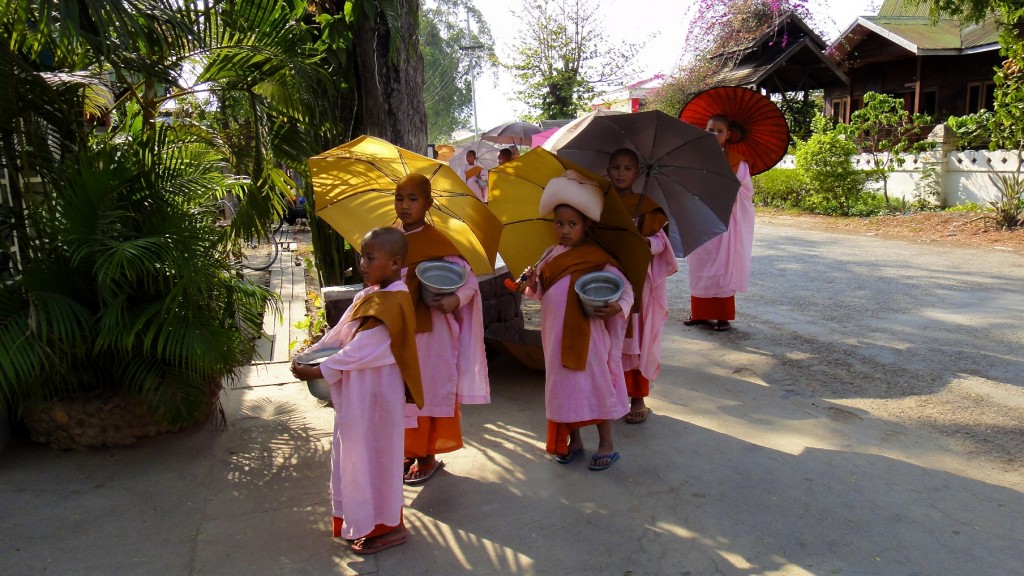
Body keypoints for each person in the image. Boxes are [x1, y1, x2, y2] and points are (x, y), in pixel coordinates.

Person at [290, 227, 423, 554]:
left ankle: (390, 526)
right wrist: (311, 351)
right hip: (357, 396)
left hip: (377, 399)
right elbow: (341, 333)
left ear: (394, 263)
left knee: (376, 459)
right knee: (355, 456)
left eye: (369, 257)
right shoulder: (371, 294)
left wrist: (318, 369)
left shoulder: (395, 302)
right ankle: (361, 520)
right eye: (361, 255)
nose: (361, 263)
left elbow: (365, 349)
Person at [520, 170, 633, 471]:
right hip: (555, 337)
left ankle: (606, 442)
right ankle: (575, 441)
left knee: (595, 386)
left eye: (572, 224)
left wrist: (616, 308)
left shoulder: (598, 257)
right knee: (564, 390)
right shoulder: (549, 255)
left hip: (590, 338)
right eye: (560, 223)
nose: (565, 230)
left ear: (586, 225)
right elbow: (540, 293)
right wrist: (533, 281)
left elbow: (626, 290)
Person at [393, 173, 490, 485]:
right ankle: (407, 450)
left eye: (413, 199)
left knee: (428, 390)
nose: (405, 205)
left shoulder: (439, 243)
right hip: (398, 330)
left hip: (433, 332)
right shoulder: (389, 239)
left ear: (428, 204)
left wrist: (454, 299)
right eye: (399, 198)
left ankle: (427, 455)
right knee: (399, 390)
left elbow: (470, 282)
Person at [606, 148, 678, 424]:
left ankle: (637, 397)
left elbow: (662, 242)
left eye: (627, 168)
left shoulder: (646, 206)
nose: (621, 173)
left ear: (636, 173)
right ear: (607, 170)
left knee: (636, 338)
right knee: (610, 335)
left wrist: (646, 243)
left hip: (639, 281)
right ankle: (611, 394)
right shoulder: (600, 203)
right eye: (615, 167)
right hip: (609, 277)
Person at [683, 115, 755, 332]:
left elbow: (745, 191)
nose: (713, 134)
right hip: (702, 219)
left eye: (719, 131)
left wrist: (723, 190)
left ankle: (723, 316)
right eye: (710, 130)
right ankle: (700, 313)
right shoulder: (696, 159)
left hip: (725, 221)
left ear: (729, 135)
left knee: (723, 268)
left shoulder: (737, 162)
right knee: (700, 266)